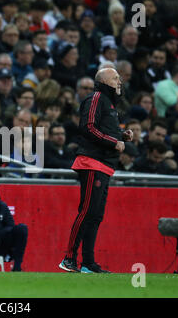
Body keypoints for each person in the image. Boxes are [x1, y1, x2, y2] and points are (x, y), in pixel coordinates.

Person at [59, 68, 133, 273]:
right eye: (116, 78)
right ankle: (69, 258)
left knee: (95, 215)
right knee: (87, 212)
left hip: (104, 165)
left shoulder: (109, 104)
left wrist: (121, 135)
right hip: (92, 162)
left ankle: (88, 263)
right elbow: (88, 127)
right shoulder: (96, 98)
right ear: (104, 81)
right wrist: (113, 142)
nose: (120, 81)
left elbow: (101, 129)